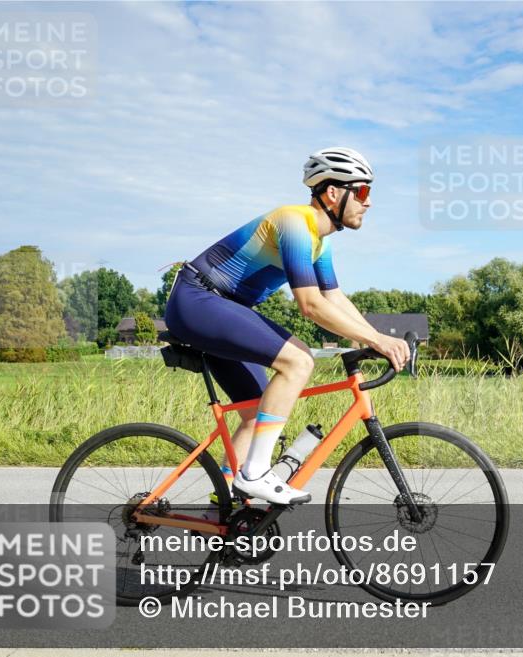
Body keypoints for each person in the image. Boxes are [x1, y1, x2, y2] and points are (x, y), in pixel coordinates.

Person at [164, 147, 410, 505]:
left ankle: (226, 510)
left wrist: (375, 338)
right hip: (198, 300)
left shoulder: (318, 242)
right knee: (299, 360)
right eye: (362, 191)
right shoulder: (295, 223)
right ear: (332, 193)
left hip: (219, 306)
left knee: (253, 409)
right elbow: (310, 305)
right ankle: (255, 474)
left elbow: (334, 298)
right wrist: (372, 339)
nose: (367, 202)